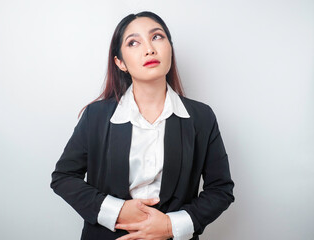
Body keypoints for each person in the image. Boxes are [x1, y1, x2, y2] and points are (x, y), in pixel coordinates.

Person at [50, 11, 235, 240]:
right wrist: (116, 210)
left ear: (170, 47)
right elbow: (64, 177)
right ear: (120, 62)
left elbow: (221, 190)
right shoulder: (96, 116)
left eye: (157, 37)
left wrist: (171, 225)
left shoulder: (201, 117)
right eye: (134, 42)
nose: (149, 49)